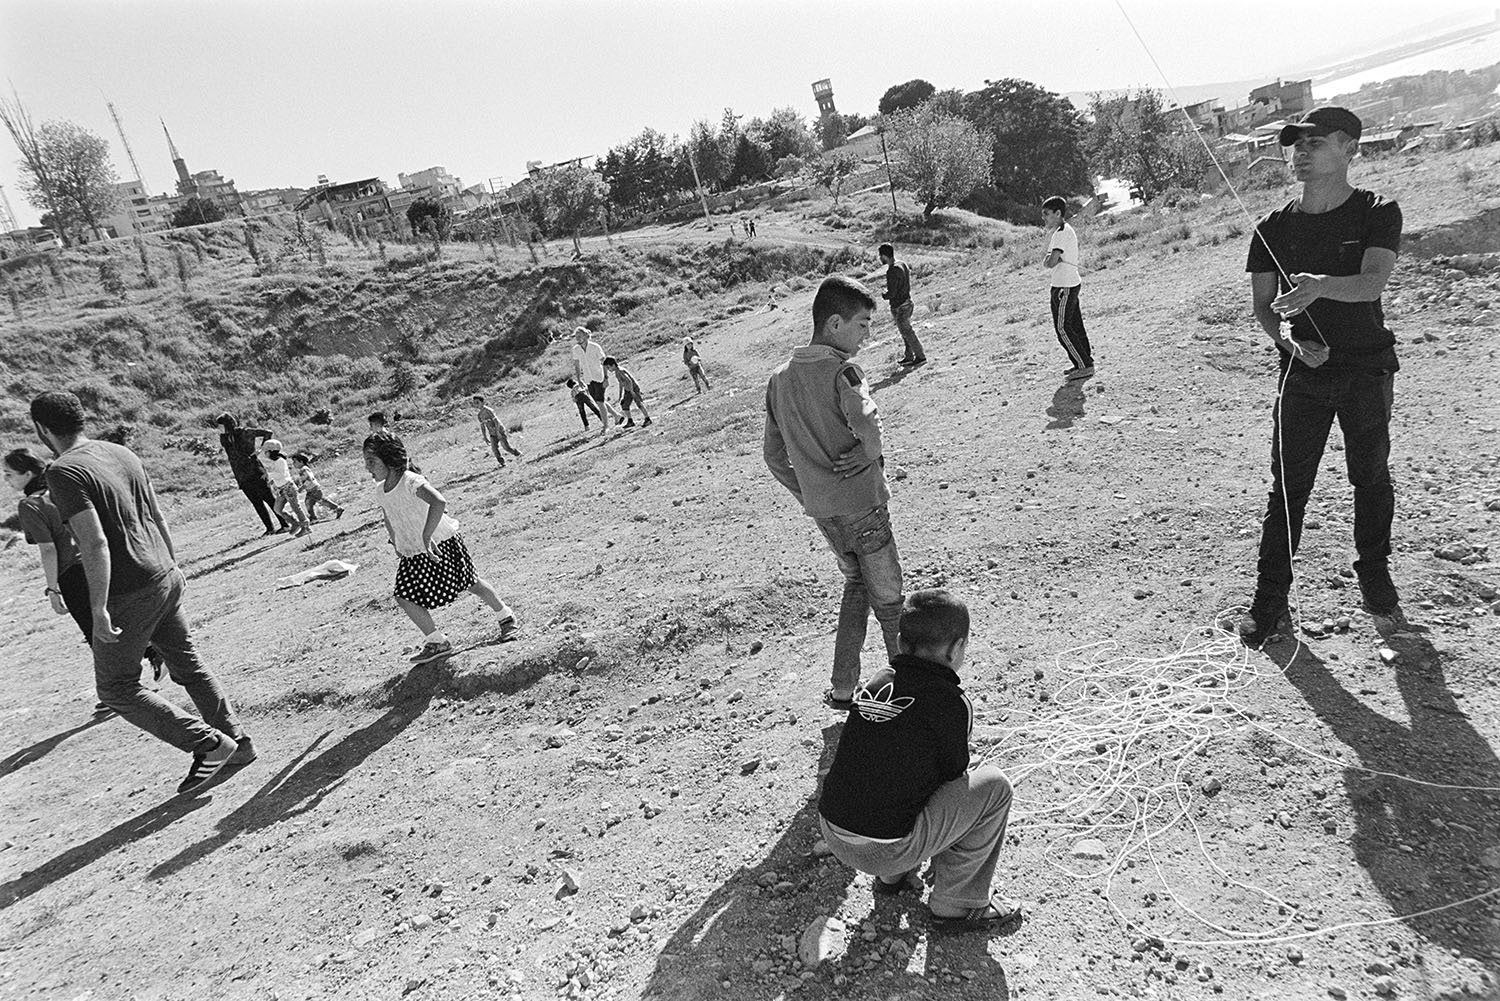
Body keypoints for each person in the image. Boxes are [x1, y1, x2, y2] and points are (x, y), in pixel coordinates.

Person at [29, 391, 254, 795]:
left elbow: (94, 544)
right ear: (81, 418)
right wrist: (173, 566)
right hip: (162, 572)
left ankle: (209, 744)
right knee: (187, 664)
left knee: (116, 687)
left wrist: (97, 608)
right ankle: (238, 743)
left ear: (43, 430)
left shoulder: (62, 472)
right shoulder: (120, 452)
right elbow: (156, 514)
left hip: (129, 590)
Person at [1238, 107, 1404, 645]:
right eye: (1296, 144)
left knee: (1370, 476)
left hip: (1366, 369)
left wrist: (1318, 286)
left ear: (1350, 147)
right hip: (1301, 376)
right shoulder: (1272, 228)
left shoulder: (1377, 212)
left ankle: (1374, 577)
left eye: (1315, 142)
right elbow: (1265, 309)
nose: (1301, 152)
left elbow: (1373, 283)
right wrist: (1288, 341)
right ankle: (1270, 601)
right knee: (1287, 487)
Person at [818, 590, 1022, 934]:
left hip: (834, 831)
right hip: (886, 849)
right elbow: (951, 783)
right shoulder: (952, 702)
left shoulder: (877, 682)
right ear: (956, 649)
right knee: (995, 787)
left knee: (888, 770)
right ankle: (955, 904)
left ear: (899, 641)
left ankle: (892, 878)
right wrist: (943, 851)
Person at [764, 275, 904, 710]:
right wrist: (868, 456)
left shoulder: (778, 379)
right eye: (863, 325)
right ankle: (913, 686)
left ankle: (843, 688)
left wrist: (809, 493)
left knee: (856, 586)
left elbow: (772, 456)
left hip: (824, 514)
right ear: (836, 324)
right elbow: (872, 431)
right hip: (863, 505)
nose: (867, 336)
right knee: (891, 602)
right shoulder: (843, 371)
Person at [4, 447, 163, 717]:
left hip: (71, 574)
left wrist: (52, 588)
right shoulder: (59, 492)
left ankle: (120, 690)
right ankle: (153, 653)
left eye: (9, 474)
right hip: (97, 562)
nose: (6, 480)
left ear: (27, 474)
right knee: (110, 619)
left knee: (94, 631)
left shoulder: (30, 505)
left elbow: (48, 549)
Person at [363, 433, 519, 664]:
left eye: (372, 462)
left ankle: (505, 616)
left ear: (389, 459)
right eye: (366, 462)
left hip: (440, 543)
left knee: (471, 583)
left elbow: (439, 502)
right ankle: (436, 641)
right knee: (403, 596)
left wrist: (427, 535)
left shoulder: (410, 481)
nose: (368, 468)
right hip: (413, 551)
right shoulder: (380, 490)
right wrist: (395, 540)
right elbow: (388, 515)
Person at [1042, 196, 1094, 380]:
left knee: (1062, 328)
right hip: (1070, 284)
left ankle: (1083, 365)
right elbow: (1050, 259)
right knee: (1075, 326)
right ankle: (1083, 361)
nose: (1045, 218)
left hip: (1064, 286)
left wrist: (1049, 259)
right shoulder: (1065, 231)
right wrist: (1050, 259)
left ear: (1058, 213)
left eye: (1047, 214)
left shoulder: (1061, 233)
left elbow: (1050, 262)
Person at [214, 412, 289, 536]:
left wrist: (261, 449)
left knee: (266, 500)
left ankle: (281, 525)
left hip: (250, 471)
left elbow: (267, 432)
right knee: (260, 501)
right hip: (245, 473)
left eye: (220, 425)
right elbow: (267, 433)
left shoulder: (239, 433)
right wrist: (261, 449)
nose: (219, 428)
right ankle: (273, 527)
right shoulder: (232, 435)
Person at [877, 243, 925, 367]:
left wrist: (884, 294)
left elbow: (892, 293)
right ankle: (909, 356)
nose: (880, 259)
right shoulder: (902, 264)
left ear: (884, 256)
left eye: (880, 256)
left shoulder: (892, 271)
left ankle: (920, 356)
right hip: (907, 302)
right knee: (905, 332)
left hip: (900, 305)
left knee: (907, 332)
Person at [570, 326, 619, 432]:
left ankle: (606, 426)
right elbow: (577, 365)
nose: (577, 338)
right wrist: (579, 379)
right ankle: (617, 416)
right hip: (588, 379)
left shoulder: (595, 347)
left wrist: (606, 378)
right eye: (576, 337)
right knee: (599, 401)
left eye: (579, 336)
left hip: (599, 377)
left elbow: (604, 363)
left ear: (586, 336)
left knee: (600, 402)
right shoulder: (576, 350)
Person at [260, 438, 310, 537]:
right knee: (277, 509)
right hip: (281, 490)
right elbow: (277, 475)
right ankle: (295, 523)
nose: (265, 454)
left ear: (271, 451)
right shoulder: (275, 462)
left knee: (296, 507)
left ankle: (306, 527)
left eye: (266, 451)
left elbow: (281, 475)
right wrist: (271, 480)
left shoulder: (280, 461)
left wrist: (269, 474)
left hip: (288, 488)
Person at [291, 452, 345, 522]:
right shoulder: (303, 469)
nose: (293, 464)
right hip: (311, 490)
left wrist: (302, 487)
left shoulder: (304, 469)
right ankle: (313, 518)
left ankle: (337, 508)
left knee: (321, 501)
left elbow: (309, 479)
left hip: (314, 489)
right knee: (310, 503)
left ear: (301, 461)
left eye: (295, 461)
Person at [473, 394, 521, 467]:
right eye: (474, 403)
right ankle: (502, 462)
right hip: (492, 434)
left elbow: (496, 421)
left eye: (477, 402)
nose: (476, 405)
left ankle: (516, 453)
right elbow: (482, 426)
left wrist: (498, 432)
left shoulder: (489, 410)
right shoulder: (479, 415)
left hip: (499, 430)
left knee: (506, 447)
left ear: (482, 402)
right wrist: (485, 437)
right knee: (494, 449)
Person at [604, 356, 652, 428]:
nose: (608, 369)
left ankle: (647, 419)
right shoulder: (617, 373)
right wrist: (620, 395)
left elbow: (629, 380)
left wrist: (632, 391)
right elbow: (621, 383)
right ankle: (630, 421)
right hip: (628, 390)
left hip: (633, 388)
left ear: (613, 365)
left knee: (639, 403)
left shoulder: (620, 371)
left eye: (608, 367)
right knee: (624, 405)